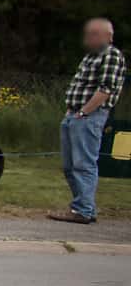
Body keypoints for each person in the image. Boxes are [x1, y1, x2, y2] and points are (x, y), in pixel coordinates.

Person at [49, 18, 124, 225]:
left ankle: (83, 210)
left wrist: (83, 113)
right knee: (69, 165)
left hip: (90, 116)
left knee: (83, 163)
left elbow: (105, 89)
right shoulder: (90, 57)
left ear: (108, 36)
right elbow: (80, 86)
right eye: (89, 34)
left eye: (95, 34)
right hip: (73, 114)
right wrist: (70, 112)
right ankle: (81, 206)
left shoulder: (111, 56)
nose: (90, 38)